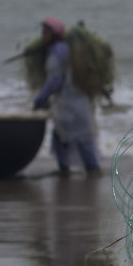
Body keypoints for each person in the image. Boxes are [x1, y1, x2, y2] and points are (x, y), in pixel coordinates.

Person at [31, 17, 103, 177]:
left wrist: (39, 100)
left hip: (69, 106)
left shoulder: (56, 54)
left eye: (46, 32)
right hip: (79, 103)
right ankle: (68, 172)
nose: (43, 36)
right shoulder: (70, 50)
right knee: (64, 138)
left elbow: (54, 82)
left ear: (54, 34)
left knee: (80, 142)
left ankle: (90, 173)